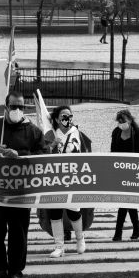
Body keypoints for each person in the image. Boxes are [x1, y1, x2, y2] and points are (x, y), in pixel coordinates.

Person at [0, 91, 47, 278]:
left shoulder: (33, 131)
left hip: (20, 192)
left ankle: (16, 273)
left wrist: (21, 154)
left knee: (19, 233)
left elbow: (43, 156)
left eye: (21, 106)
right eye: (14, 106)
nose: (17, 110)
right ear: (6, 107)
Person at [43, 105, 92, 258]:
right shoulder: (50, 134)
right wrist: (52, 145)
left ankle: (80, 238)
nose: (67, 119)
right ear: (57, 119)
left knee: (74, 211)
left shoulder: (78, 133)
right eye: (64, 116)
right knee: (55, 212)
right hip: (54, 179)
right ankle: (59, 246)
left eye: (69, 115)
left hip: (73, 179)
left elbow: (87, 153)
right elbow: (41, 155)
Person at [111, 109, 139, 240]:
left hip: (134, 173)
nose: (122, 123)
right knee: (129, 201)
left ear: (130, 120)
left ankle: (118, 232)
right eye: (119, 121)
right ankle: (137, 229)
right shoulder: (116, 132)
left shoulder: (138, 133)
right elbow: (112, 153)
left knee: (125, 200)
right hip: (120, 173)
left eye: (124, 120)